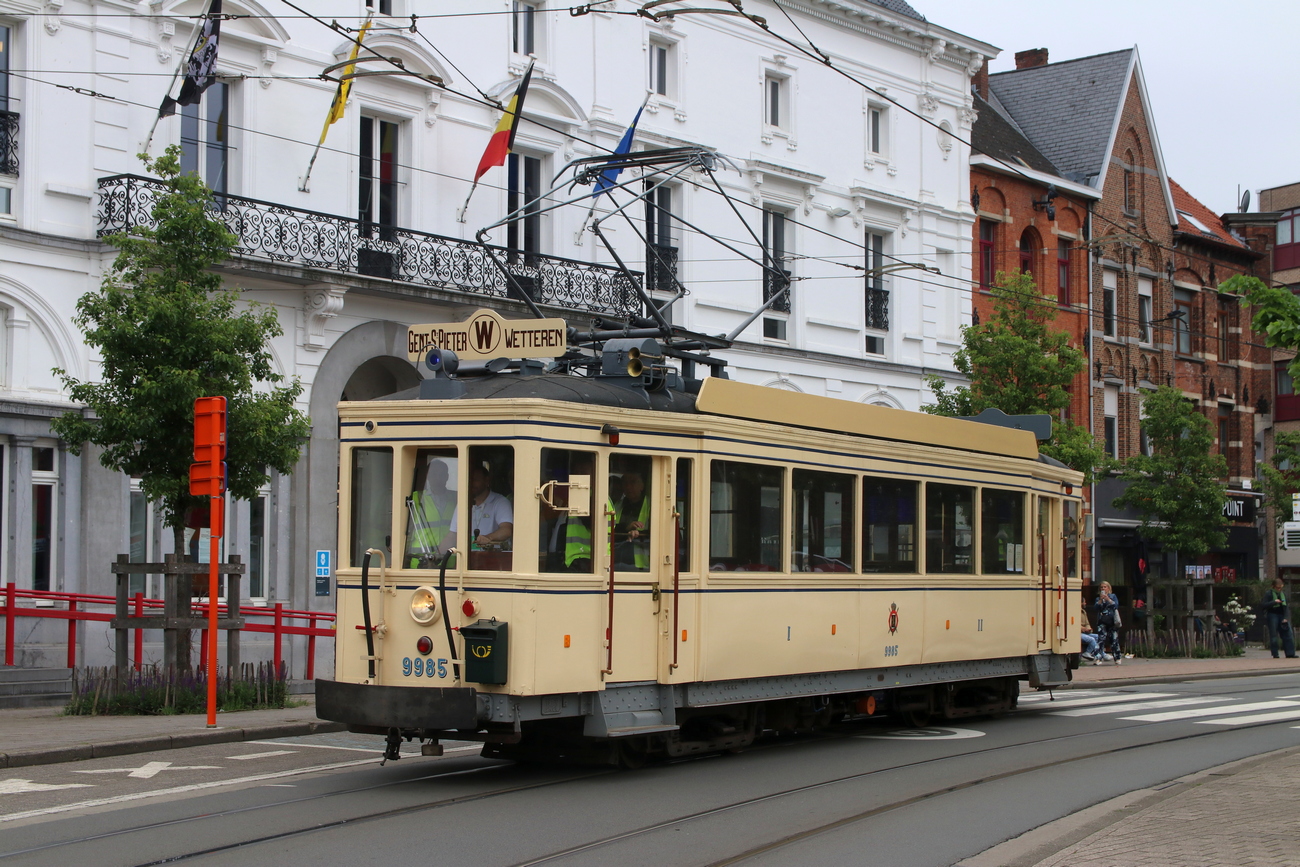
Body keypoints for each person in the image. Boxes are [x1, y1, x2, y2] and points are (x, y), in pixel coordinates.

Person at [405, 457, 454, 567]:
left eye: (441, 474)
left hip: (449, 560)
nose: (437, 478)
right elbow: (406, 530)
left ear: (447, 477)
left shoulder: (456, 499)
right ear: (428, 477)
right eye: (434, 474)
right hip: (421, 561)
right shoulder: (416, 498)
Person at [450, 465, 513, 547]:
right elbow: (452, 535)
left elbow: (506, 530)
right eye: (470, 479)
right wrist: (439, 556)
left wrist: (487, 538)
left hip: (494, 557)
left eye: (476, 479)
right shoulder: (463, 503)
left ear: (487, 481)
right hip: (468, 557)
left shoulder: (500, 502)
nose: (472, 483)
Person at [612, 469, 650, 570]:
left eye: (633, 482)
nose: (628, 486)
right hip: (616, 562)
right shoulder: (617, 506)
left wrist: (638, 534)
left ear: (642, 486)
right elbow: (609, 531)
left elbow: (661, 534)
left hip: (643, 566)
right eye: (625, 483)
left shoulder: (653, 505)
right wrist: (626, 529)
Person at [1264, 577, 1297, 659]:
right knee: (1274, 635)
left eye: (1280, 587)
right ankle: (1275, 654)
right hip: (1272, 615)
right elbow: (1263, 605)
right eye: (1277, 588)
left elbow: (1285, 607)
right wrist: (1273, 602)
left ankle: (1290, 653)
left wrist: (1286, 617)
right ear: (1273, 587)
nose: (1279, 589)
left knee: (1288, 634)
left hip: (1282, 615)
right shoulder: (1269, 594)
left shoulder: (1283, 594)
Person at [1094, 581, 1121, 665]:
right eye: (1101, 587)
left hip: (1111, 620)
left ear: (1108, 588)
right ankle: (1098, 658)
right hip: (1102, 621)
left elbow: (1115, 605)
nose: (1103, 588)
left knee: (1114, 639)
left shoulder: (1113, 596)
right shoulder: (1098, 598)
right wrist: (1101, 600)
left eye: (1105, 587)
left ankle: (1117, 657)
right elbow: (1096, 608)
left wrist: (1108, 599)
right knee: (1101, 639)